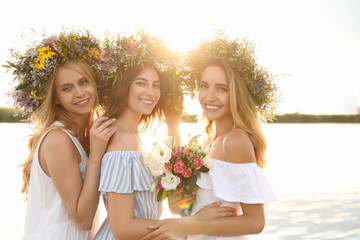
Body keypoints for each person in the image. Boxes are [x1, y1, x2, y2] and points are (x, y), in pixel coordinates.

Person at [94, 32, 237, 240]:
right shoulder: (123, 140)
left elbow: (174, 202)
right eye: (141, 83)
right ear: (123, 87)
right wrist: (194, 223)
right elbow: (122, 229)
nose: (151, 92)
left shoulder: (133, 138)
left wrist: (173, 124)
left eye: (156, 85)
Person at [141, 33, 277, 240]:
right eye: (204, 86)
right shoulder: (209, 140)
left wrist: (190, 226)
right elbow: (190, 207)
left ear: (236, 94)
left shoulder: (236, 141)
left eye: (221, 89)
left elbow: (255, 222)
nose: (209, 96)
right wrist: (173, 124)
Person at [6, 31, 117, 240]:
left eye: (83, 82)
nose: (80, 93)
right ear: (55, 98)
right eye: (67, 88)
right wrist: (96, 156)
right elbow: (83, 219)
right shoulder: (57, 139)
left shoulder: (81, 136)